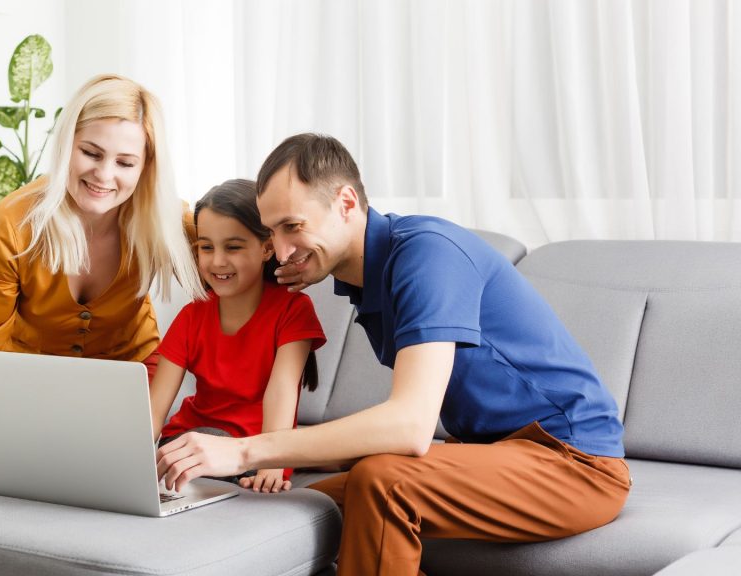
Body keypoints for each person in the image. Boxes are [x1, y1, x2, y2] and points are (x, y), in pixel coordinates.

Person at [156, 133, 631, 575]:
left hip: (574, 463)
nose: (280, 252)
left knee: (382, 481)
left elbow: (409, 426)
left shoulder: (427, 256)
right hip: (496, 455)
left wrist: (244, 450)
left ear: (345, 203)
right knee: (299, 510)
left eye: (293, 227)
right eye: (271, 234)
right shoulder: (363, 277)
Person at [0, 74, 206, 482]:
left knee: (114, 490)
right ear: (67, 143)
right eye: (90, 152)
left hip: (131, 380)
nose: (104, 175)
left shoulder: (169, 220)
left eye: (125, 163)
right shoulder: (11, 226)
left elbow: (237, 264)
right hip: (29, 384)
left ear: (146, 167)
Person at [148, 179, 326, 493]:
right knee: (188, 444)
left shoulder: (292, 310)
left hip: (253, 449)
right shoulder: (192, 316)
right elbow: (156, 408)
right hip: (190, 440)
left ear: (266, 248)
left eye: (233, 246)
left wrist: (272, 460)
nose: (217, 261)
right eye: (206, 247)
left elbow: (282, 391)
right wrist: (131, 459)